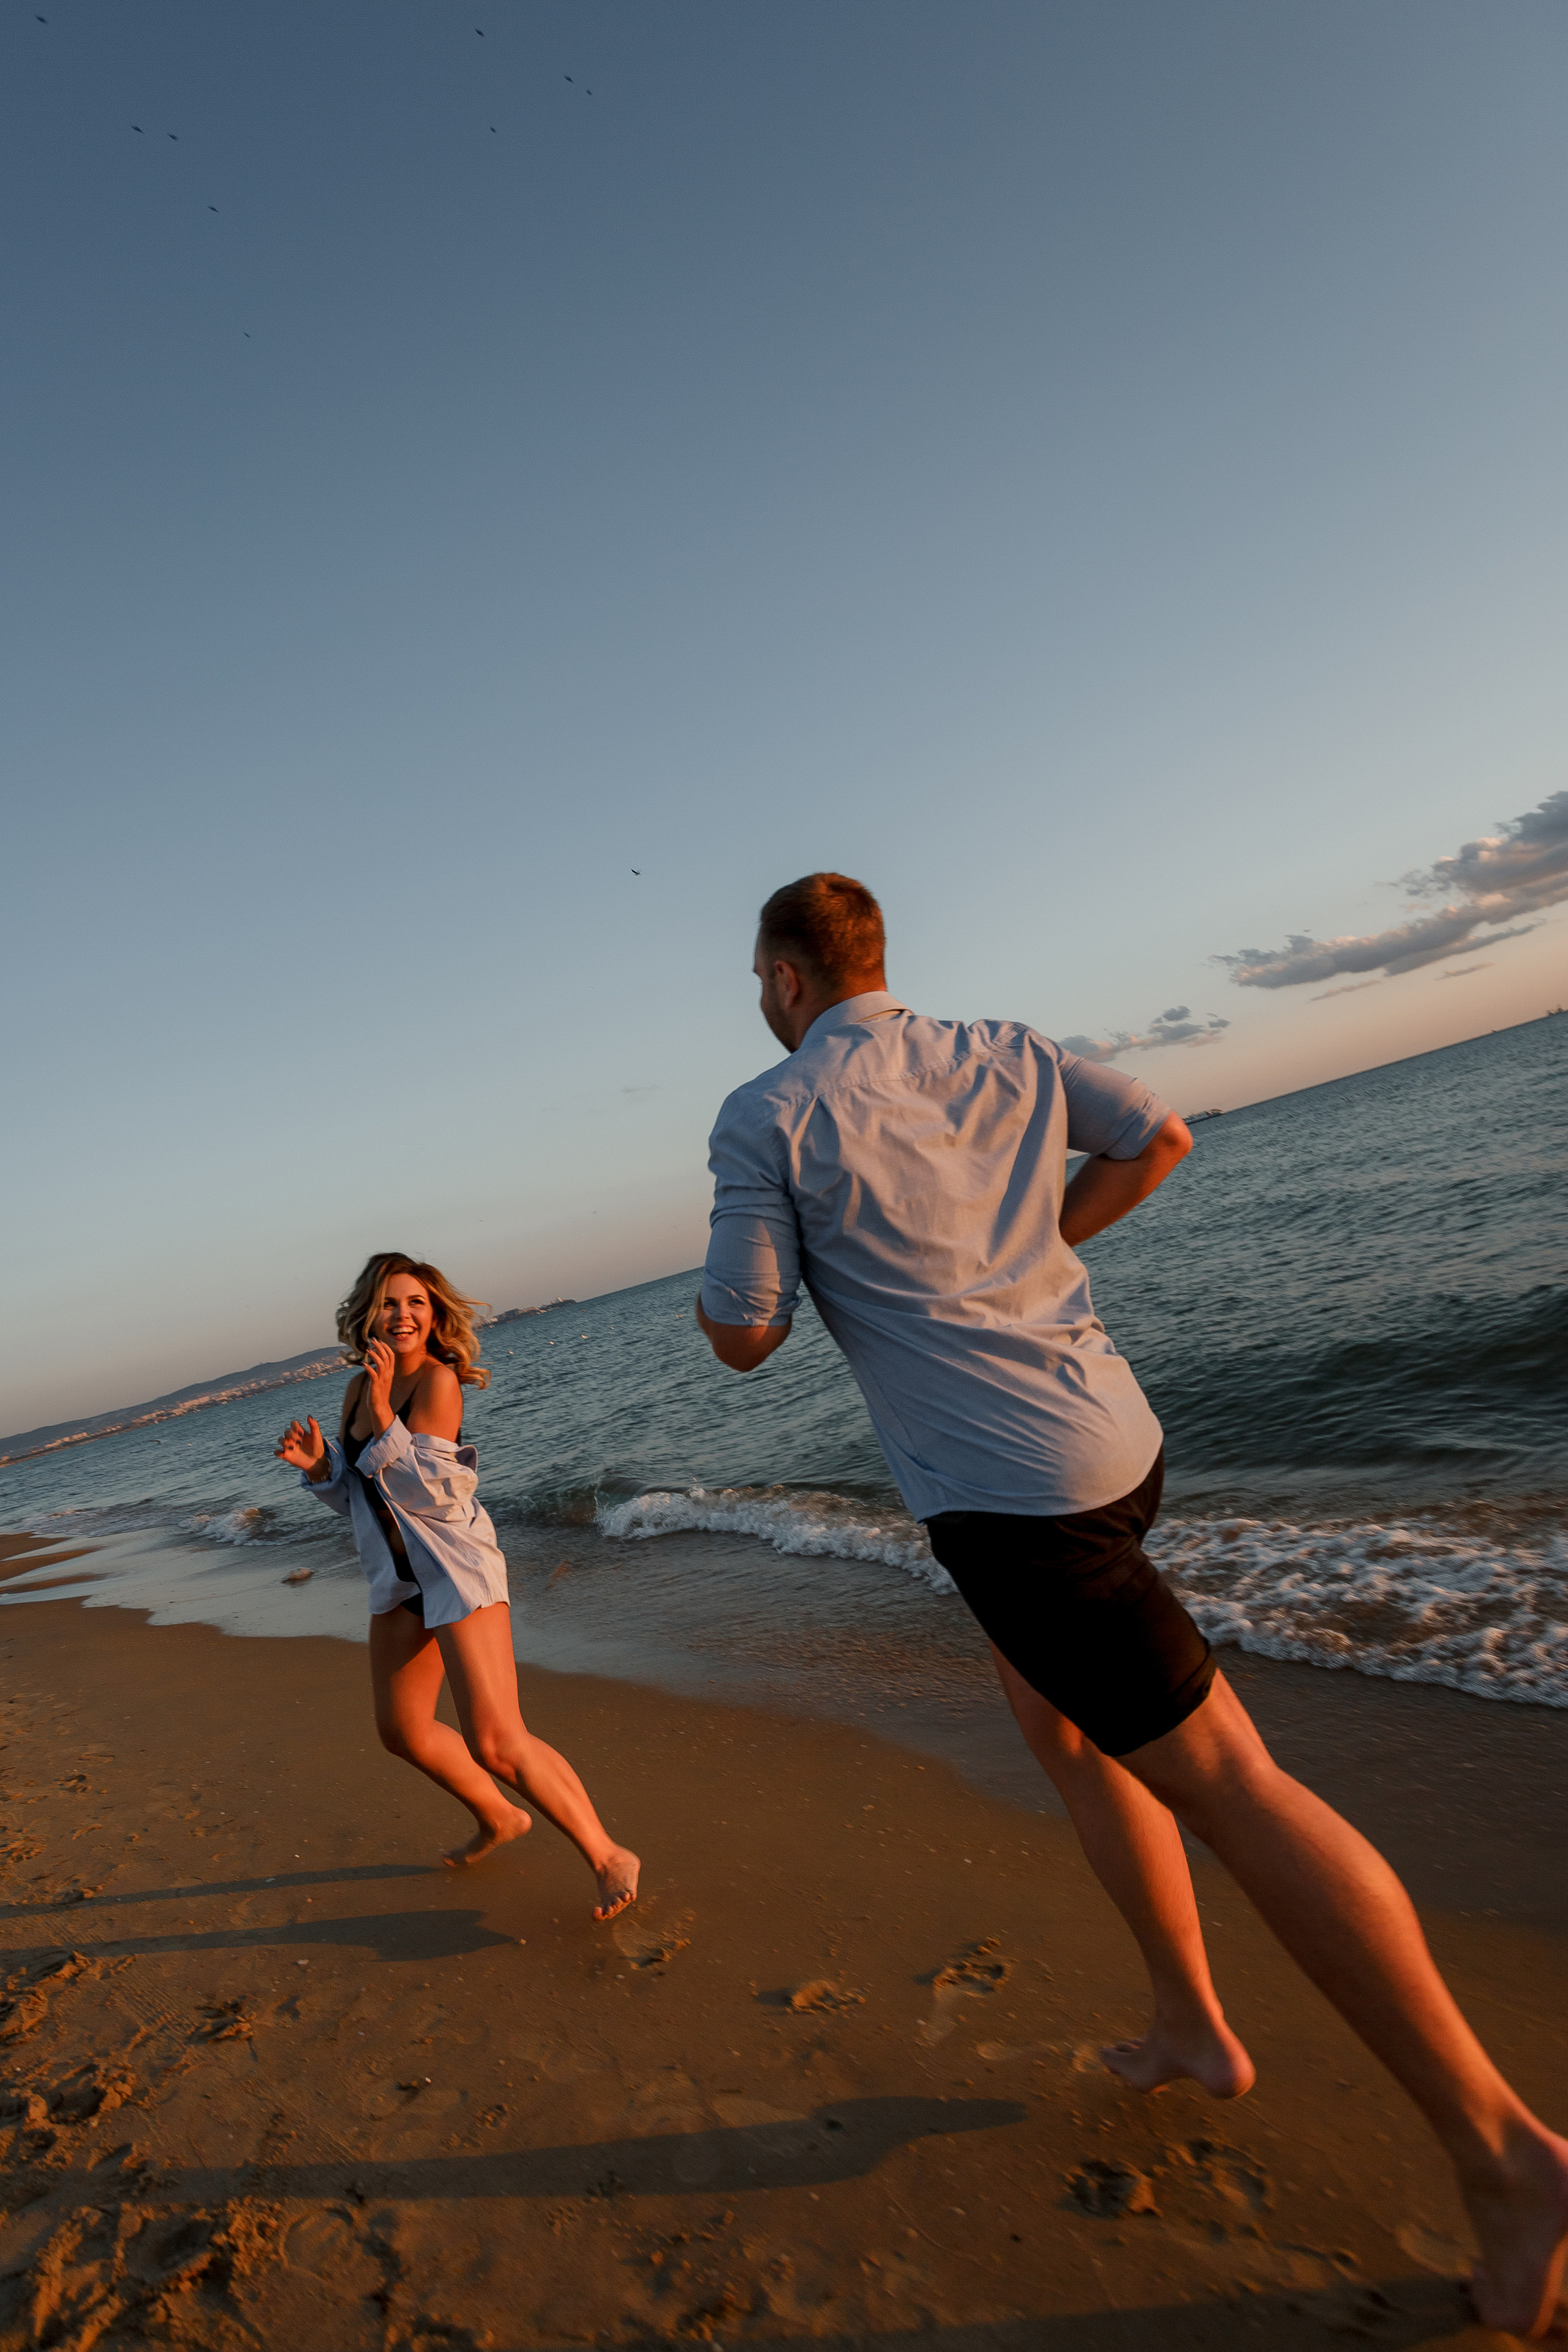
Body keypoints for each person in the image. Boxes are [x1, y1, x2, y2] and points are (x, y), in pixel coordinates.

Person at [695, 870, 1568, 2337]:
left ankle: (1504, 2149)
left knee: (1231, 1780)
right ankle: (1188, 2022)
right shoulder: (1003, 1048)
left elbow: (740, 1332)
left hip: (1013, 1504)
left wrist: (757, 1269)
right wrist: (1038, 1248)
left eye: (760, 980)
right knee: (1066, 1732)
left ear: (784, 975)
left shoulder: (767, 1110)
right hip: (1114, 1439)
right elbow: (1154, 1133)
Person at [275, 1251, 638, 1922]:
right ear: (368, 1314)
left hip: (455, 1572)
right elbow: (371, 1499)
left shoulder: (438, 1384)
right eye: (389, 1303)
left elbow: (432, 1494)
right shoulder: (360, 1388)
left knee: (497, 1741)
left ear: (433, 1312)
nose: (402, 1315)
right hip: (399, 1581)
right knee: (403, 1731)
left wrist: (386, 1414)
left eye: (415, 1302)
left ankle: (607, 1853)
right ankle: (500, 1818)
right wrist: (323, 1467)